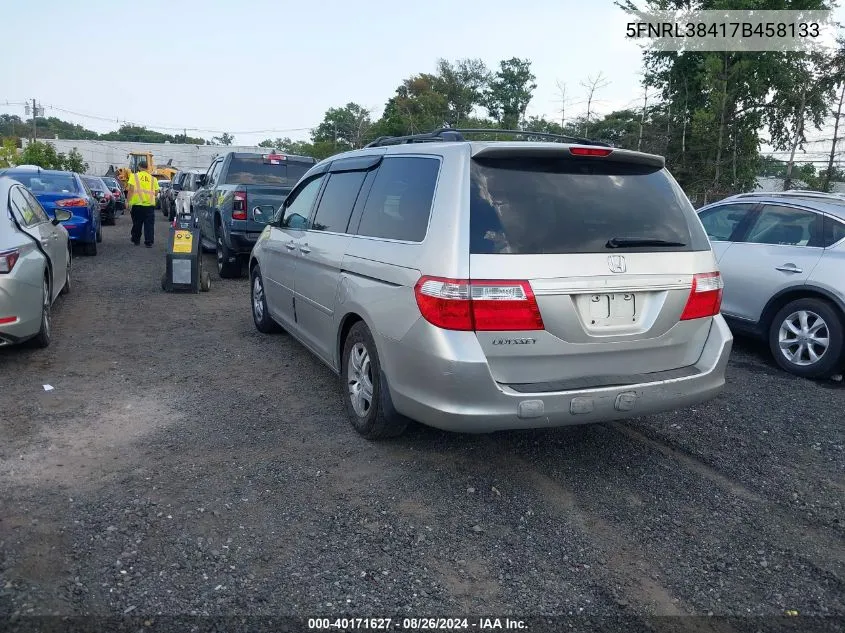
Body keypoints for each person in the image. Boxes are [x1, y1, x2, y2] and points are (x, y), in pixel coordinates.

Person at [126, 157, 160, 247]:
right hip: (149, 206)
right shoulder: (153, 179)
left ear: (139, 167)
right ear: (147, 167)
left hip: (137, 205)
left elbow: (131, 190)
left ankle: (136, 240)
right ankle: (148, 242)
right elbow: (156, 193)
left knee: (137, 223)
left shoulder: (134, 176)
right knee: (149, 225)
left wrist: (128, 202)